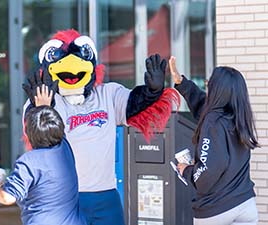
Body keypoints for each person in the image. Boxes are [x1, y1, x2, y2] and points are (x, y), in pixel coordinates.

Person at [22, 29, 180, 225]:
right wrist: (43, 106)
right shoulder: (43, 102)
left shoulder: (108, 94)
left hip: (105, 196)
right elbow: (38, 140)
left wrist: (152, 91)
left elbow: (136, 107)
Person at [169, 56, 259, 225]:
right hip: (246, 205)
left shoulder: (213, 122)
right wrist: (181, 82)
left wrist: (187, 170)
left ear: (218, 90)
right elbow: (202, 104)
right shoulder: (238, 117)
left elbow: (210, 168)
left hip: (217, 210)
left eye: (209, 83)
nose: (207, 85)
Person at [0, 85, 86, 225]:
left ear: (29, 134)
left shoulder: (28, 162)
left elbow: (7, 198)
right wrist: (45, 108)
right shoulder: (65, 148)